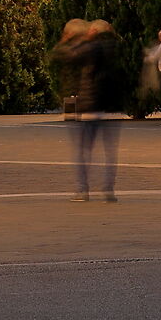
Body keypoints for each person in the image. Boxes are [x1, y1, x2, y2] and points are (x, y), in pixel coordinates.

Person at [55, 19, 124, 201]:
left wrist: (66, 40)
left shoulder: (92, 47)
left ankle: (82, 190)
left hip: (91, 104)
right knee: (109, 152)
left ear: (93, 31)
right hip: (111, 107)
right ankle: (108, 189)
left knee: (83, 150)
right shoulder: (115, 46)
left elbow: (66, 56)